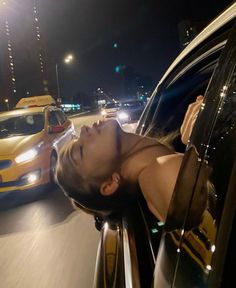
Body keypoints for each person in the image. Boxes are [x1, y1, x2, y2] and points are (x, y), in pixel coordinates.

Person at [56, 96, 204, 222]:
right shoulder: (161, 174)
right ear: (110, 184)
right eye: (80, 150)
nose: (83, 130)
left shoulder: (166, 161)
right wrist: (205, 138)